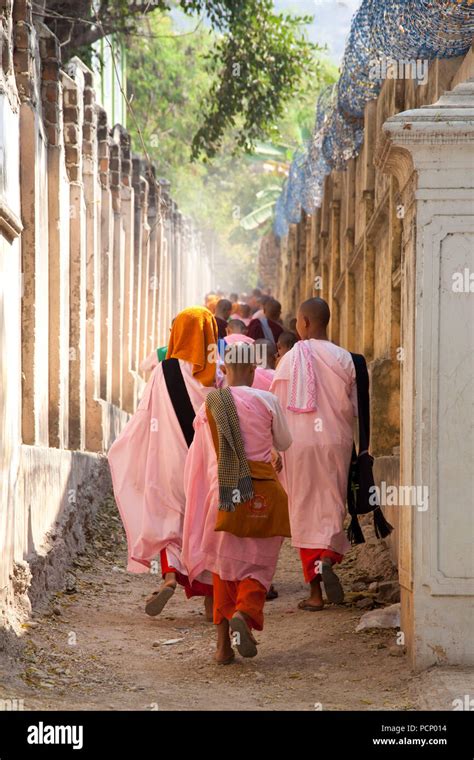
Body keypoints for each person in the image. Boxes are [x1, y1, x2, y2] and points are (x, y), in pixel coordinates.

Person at [182, 342, 292, 663]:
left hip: (224, 492)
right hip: (262, 492)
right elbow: (285, 442)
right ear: (255, 371)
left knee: (223, 568)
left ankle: (222, 648)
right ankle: (245, 611)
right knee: (258, 563)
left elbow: (198, 460)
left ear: (224, 370)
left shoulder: (209, 407)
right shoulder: (268, 400)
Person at [108, 306, 218, 619]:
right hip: (204, 464)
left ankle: (170, 577)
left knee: (170, 520)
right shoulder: (217, 373)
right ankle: (212, 603)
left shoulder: (163, 370)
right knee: (205, 525)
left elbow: (145, 416)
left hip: (169, 462)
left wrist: (128, 448)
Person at [270, 298, 357, 611]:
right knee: (332, 504)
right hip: (336, 442)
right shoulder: (344, 358)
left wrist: (274, 448)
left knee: (304, 508)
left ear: (304, 323)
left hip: (299, 445)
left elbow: (275, 408)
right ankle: (328, 557)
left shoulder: (290, 359)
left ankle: (316, 594)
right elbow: (355, 408)